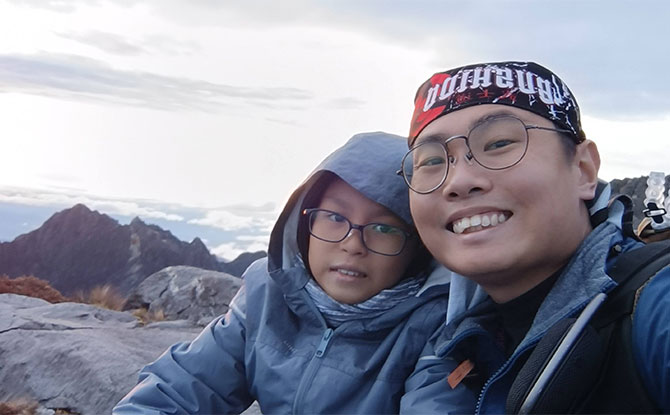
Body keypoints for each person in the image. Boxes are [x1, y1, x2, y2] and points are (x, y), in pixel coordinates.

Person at [113, 132, 471, 414]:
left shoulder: (440, 328)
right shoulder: (268, 296)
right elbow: (184, 386)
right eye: (334, 217)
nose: (352, 244)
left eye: (384, 228)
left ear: (416, 249)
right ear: (303, 223)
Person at [398, 61, 670, 413]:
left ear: (583, 169)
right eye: (431, 161)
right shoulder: (446, 347)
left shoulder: (654, 308)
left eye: (498, 143)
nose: (459, 181)